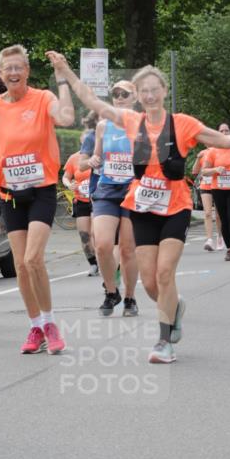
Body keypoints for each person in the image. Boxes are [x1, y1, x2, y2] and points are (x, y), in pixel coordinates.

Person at [47, 53, 230, 363]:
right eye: (144, 91)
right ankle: (175, 306)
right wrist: (65, 71)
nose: (150, 95)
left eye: (155, 89)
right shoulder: (129, 121)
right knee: (150, 283)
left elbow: (228, 141)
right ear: (139, 96)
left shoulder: (183, 124)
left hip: (174, 207)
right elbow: (92, 101)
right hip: (141, 209)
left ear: (164, 91)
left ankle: (164, 342)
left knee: (165, 273)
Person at [0, 45, 75, 355]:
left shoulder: (42, 99)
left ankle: (50, 323)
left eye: (18, 68)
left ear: (27, 71)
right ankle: (35, 325)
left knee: (32, 260)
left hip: (41, 190)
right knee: (22, 268)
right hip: (10, 194)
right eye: (7, 69)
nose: (13, 73)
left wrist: (62, 78)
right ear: (0, 74)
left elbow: (66, 117)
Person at [83, 81, 139, 317]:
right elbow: (95, 157)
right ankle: (111, 291)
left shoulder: (142, 124)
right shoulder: (103, 126)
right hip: (107, 188)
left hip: (133, 189)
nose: (119, 97)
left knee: (127, 249)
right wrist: (93, 161)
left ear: (134, 97)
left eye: (124, 93)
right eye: (115, 93)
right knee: (103, 245)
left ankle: (130, 298)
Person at [201, 123, 230, 261]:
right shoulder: (213, 151)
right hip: (218, 188)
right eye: (221, 130)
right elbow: (204, 171)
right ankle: (229, 249)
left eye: (227, 130)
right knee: (224, 220)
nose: (224, 132)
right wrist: (215, 170)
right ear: (217, 133)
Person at [62, 142, 98, 275]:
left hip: (98, 200)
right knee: (84, 236)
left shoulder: (99, 156)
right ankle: (93, 263)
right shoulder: (74, 158)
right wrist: (68, 184)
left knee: (96, 233)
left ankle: (104, 260)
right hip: (81, 200)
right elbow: (65, 177)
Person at [192, 147, 223, 251]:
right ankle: (209, 239)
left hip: (218, 185)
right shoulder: (203, 153)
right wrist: (197, 158)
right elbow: (195, 171)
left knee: (218, 215)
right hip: (205, 186)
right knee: (208, 213)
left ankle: (220, 236)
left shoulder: (220, 152)